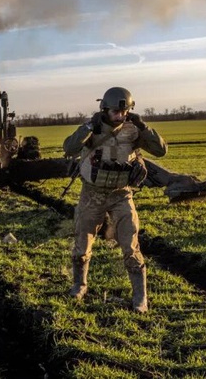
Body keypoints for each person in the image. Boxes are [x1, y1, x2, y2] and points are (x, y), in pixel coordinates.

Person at [62, 87, 167, 313]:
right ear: (104, 110)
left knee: (131, 245)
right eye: (115, 112)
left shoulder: (133, 131)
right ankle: (79, 285)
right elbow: (69, 148)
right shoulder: (92, 129)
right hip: (92, 194)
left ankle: (140, 297)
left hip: (122, 194)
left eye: (124, 111)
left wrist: (144, 127)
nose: (120, 116)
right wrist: (89, 127)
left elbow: (161, 151)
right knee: (83, 243)